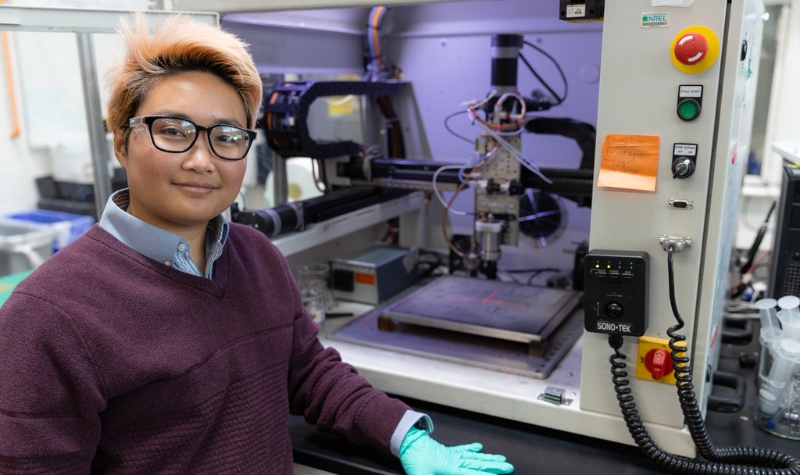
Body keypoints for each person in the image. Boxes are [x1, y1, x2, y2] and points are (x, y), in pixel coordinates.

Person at [0, 13, 514, 475]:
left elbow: (310, 372)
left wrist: (403, 435)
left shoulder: (256, 256)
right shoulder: (48, 316)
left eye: (227, 136)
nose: (202, 160)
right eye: (174, 131)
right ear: (121, 140)